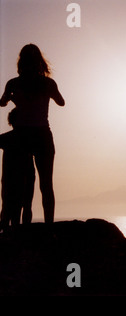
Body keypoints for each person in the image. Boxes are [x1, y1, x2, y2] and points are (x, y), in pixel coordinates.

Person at [0, 44, 65, 224]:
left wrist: (15, 99)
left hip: (21, 137)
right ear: (39, 61)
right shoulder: (48, 83)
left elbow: (2, 102)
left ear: (21, 60)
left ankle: (14, 225)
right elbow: (61, 102)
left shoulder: (14, 83)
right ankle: (49, 225)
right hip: (43, 135)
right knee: (46, 185)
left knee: (20, 184)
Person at [0, 109, 35, 232]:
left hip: (12, 179)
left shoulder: (7, 138)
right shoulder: (30, 139)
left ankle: (8, 233)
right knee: (24, 206)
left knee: (8, 209)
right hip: (24, 177)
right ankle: (23, 233)